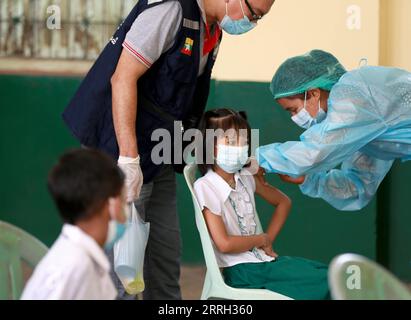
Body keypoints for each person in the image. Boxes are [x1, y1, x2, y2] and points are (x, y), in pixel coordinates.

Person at [63, 0, 276, 300]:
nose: (252, 23)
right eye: (254, 14)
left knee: (164, 258)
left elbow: (180, 102)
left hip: (158, 151)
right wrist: (127, 158)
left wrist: (236, 157)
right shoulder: (171, 10)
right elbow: (122, 77)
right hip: (117, 149)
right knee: (123, 269)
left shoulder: (212, 30)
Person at [193, 109, 330, 300]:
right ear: (209, 146)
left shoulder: (245, 177)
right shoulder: (205, 186)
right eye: (231, 141)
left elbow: (283, 202)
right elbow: (224, 244)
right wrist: (261, 239)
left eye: (244, 141)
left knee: (327, 273)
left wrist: (267, 242)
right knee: (326, 281)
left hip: (263, 262)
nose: (240, 147)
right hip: (242, 272)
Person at [257, 49, 411, 211]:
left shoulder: (353, 95)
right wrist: (310, 180)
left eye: (293, 110)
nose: (294, 117)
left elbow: (315, 151)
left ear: (314, 93)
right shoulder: (362, 128)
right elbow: (358, 186)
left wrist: (256, 159)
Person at [21, 149, 127, 300]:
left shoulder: (83, 258)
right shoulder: (75, 266)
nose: (126, 212)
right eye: (123, 202)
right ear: (110, 205)